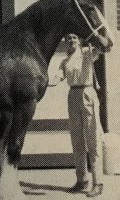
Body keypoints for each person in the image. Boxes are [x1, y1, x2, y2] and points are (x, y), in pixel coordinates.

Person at [49, 33, 104, 197]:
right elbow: (55, 79)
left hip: (87, 93)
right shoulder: (64, 61)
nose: (71, 40)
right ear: (66, 42)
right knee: (77, 141)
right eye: (68, 39)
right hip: (72, 96)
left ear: (79, 40)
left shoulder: (87, 53)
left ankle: (98, 182)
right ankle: (82, 180)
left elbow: (102, 48)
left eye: (74, 37)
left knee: (92, 140)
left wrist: (95, 36)